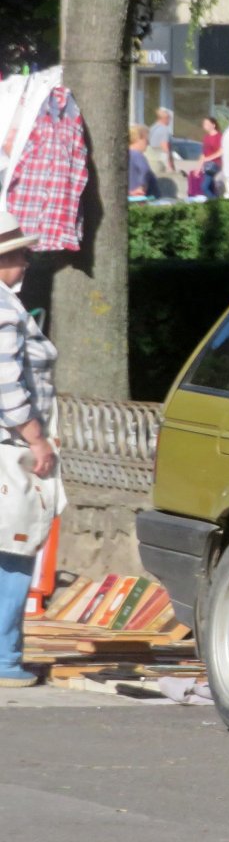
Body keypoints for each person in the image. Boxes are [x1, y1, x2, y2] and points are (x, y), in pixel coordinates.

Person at [0, 212, 58, 687]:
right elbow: (7, 385)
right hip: (9, 448)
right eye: (20, 254)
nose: (26, 262)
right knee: (13, 550)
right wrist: (36, 438)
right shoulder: (2, 309)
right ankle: (4, 657)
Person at [127, 124, 159, 199]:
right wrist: (142, 186)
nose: (148, 143)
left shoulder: (125, 154)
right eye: (146, 139)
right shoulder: (137, 154)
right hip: (141, 197)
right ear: (139, 139)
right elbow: (145, 169)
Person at [199, 116, 223, 199]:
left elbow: (221, 152)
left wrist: (208, 158)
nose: (204, 126)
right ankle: (215, 200)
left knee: (204, 186)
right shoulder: (206, 137)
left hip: (215, 164)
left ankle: (214, 202)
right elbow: (203, 154)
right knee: (210, 187)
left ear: (213, 125)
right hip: (207, 165)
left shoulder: (219, 136)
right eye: (204, 124)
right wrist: (199, 166)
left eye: (207, 124)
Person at [148, 107, 175, 172]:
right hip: (160, 162)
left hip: (150, 160)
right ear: (165, 118)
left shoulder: (152, 128)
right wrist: (170, 166)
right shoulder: (164, 130)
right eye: (169, 118)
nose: (169, 120)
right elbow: (165, 147)